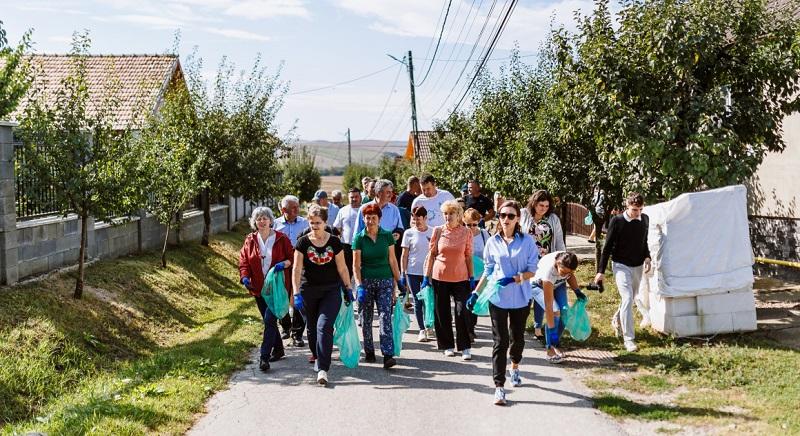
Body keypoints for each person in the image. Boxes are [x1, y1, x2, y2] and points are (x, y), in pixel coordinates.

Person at [466, 200, 539, 405]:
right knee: (500, 341)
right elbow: (488, 271)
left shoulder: (527, 242)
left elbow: (533, 270)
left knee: (517, 340)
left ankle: (515, 365)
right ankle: (499, 387)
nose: (505, 219)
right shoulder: (492, 242)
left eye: (510, 216)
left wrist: (516, 278)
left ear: (518, 219)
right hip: (498, 298)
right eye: (502, 215)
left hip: (521, 298)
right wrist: (475, 292)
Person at [292, 205, 352, 385]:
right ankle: (317, 355)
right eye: (312, 223)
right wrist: (295, 293)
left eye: (318, 223)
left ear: (326, 222)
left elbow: (342, 267)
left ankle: (323, 368)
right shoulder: (303, 242)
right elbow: (296, 269)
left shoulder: (334, 242)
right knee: (311, 328)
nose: (315, 226)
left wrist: (348, 288)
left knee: (323, 326)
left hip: (330, 290)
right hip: (307, 291)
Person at [238, 207, 294, 371]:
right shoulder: (250, 240)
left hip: (276, 288)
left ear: (271, 220)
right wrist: (244, 277)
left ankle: (264, 357)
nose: (261, 221)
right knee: (269, 322)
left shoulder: (281, 239)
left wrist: (282, 264)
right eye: (258, 219)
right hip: (258, 289)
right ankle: (278, 349)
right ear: (254, 222)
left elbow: (292, 258)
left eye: (264, 218)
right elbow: (244, 261)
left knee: (270, 320)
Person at [594, 192, 651, 352]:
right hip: (620, 265)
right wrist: (601, 271)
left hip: (638, 265)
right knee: (627, 298)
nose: (637, 213)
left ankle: (617, 319)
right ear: (627, 206)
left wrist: (647, 256)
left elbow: (644, 241)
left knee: (630, 298)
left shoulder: (645, 219)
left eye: (640, 209)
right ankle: (629, 339)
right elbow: (607, 247)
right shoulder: (617, 221)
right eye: (634, 209)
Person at [422, 200, 474, 360]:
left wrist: (472, 277)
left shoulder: (466, 232)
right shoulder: (438, 231)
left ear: (458, 215)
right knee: (442, 312)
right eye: (445, 213)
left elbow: (468, 256)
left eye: (451, 213)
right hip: (440, 276)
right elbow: (431, 255)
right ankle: (448, 345)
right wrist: (426, 276)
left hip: (461, 277)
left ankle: (465, 347)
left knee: (462, 312)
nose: (448, 216)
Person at [352, 203, 402, 369]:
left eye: (374, 218)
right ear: (364, 219)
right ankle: (369, 350)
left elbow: (392, 260)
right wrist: (359, 286)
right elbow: (356, 265)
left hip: (385, 281)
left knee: (385, 316)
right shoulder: (359, 238)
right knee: (366, 318)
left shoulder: (386, 236)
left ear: (379, 219)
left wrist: (398, 279)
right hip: (366, 282)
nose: (370, 221)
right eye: (368, 218)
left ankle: (388, 354)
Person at [519, 190, 567, 340]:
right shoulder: (524, 214)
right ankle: (519, 327)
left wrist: (563, 259)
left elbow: (559, 241)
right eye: (541, 205)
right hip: (527, 262)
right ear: (534, 203)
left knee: (542, 293)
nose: (544, 208)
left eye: (546, 206)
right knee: (526, 297)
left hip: (546, 262)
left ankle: (540, 329)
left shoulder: (552, 218)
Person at [531, 251, 585, 363]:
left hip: (557, 283)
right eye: (563, 272)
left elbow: (569, 276)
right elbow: (549, 307)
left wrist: (577, 291)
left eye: (568, 273)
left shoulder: (567, 262)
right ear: (558, 264)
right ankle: (549, 349)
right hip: (538, 286)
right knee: (555, 311)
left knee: (565, 312)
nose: (565, 274)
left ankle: (555, 343)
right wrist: (553, 333)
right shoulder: (548, 272)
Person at [273, 195, 309, 346]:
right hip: (282, 266)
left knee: (299, 296)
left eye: (298, 206)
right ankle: (285, 326)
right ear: (283, 210)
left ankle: (297, 333)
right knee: (282, 296)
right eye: (293, 207)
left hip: (301, 265)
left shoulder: (304, 223)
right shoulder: (275, 225)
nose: (297, 210)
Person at [401, 206, 434, 342]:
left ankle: (429, 325)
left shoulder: (433, 232)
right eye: (414, 220)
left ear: (425, 218)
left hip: (428, 272)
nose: (417, 223)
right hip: (413, 271)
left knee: (428, 300)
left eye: (419, 220)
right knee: (417, 301)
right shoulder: (408, 233)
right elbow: (404, 255)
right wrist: (403, 273)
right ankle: (421, 329)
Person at [463, 208, 491, 341]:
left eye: (474, 224)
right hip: (464, 273)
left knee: (475, 301)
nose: (471, 228)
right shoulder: (462, 234)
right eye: (468, 225)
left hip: (480, 275)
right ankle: (467, 330)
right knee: (465, 301)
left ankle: (472, 327)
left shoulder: (484, 235)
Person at [333, 187, 362, 279]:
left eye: (356, 197)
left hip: (362, 246)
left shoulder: (365, 209)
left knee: (361, 272)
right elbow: (337, 227)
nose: (354, 199)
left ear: (360, 197)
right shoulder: (342, 210)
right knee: (346, 272)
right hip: (346, 246)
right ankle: (347, 292)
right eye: (351, 197)